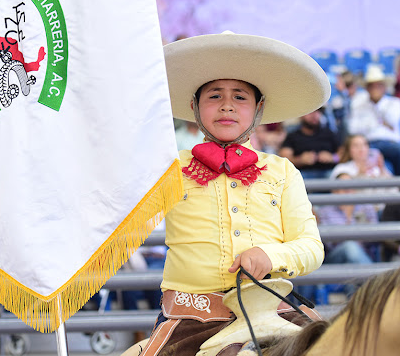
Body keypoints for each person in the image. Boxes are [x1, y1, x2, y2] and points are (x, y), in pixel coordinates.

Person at [139, 32, 330, 355]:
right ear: (194, 107)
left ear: (259, 108)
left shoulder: (282, 171)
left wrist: (271, 256)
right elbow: (120, 212)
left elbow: (312, 247)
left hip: (273, 310)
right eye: (214, 95)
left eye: (240, 96)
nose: (227, 105)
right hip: (192, 317)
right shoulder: (168, 169)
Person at [315, 173, 378, 298]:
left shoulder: (367, 207)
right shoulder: (325, 211)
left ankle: (353, 306)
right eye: (343, 189)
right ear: (334, 192)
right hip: (336, 258)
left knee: (353, 270)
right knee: (350, 247)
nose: (347, 192)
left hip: (363, 256)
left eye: (349, 188)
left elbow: (374, 238)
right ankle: (375, 285)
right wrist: (349, 220)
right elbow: (330, 243)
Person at [347, 65, 400, 175]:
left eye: (378, 85)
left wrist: (376, 104)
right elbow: (353, 129)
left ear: (384, 87)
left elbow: (392, 119)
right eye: (371, 86)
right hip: (368, 143)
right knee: (356, 151)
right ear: (367, 88)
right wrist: (379, 123)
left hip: (391, 143)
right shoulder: (359, 104)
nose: (375, 89)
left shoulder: (395, 102)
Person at [278, 109, 341, 179]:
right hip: (302, 173)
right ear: (301, 116)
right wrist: (300, 160)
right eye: (310, 112)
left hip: (328, 173)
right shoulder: (293, 136)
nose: (314, 115)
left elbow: (344, 153)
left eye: (317, 111)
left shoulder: (329, 133)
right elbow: (284, 158)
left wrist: (332, 158)